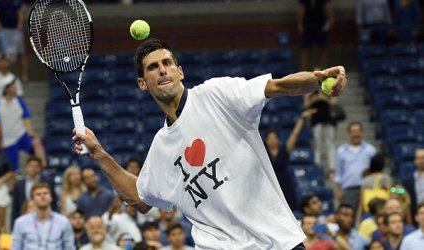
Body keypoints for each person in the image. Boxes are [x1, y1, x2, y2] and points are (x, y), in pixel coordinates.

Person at [72, 38, 347, 249]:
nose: (162, 70)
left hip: (276, 241)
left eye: (167, 63)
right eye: (153, 67)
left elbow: (279, 87)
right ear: (143, 84)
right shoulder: (161, 147)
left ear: (180, 72)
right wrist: (98, 153)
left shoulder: (217, 94)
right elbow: (141, 199)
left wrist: (317, 78)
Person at [264, 108, 316, 210]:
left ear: (278, 139)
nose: (272, 141)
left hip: (285, 184)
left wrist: (301, 119)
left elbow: (295, 135)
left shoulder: (284, 150)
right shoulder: (263, 153)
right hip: (270, 184)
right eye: (270, 138)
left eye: (274, 138)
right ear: (266, 141)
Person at [0, 80, 46, 171]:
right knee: (13, 168)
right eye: (13, 86)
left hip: (22, 134)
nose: (15, 88)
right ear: (7, 89)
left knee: (36, 143)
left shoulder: (19, 102)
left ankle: (43, 168)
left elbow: (26, 117)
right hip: (8, 139)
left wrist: (30, 131)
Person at [12, 181, 75, 250]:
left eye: (45, 193)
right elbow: (16, 248)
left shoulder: (63, 222)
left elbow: (69, 248)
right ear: (32, 200)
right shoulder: (20, 223)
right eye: (38, 194)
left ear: (51, 197)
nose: (42, 196)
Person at [335, 122, 376, 211]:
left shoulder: (371, 150)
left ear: (362, 132)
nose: (356, 134)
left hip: (368, 189)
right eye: (353, 132)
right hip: (349, 189)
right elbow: (339, 174)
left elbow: (376, 171)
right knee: (349, 217)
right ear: (349, 133)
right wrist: (338, 192)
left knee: (367, 215)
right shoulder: (341, 151)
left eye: (358, 131)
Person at [11, 156, 57, 224]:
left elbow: (53, 202)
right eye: (31, 166)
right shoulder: (19, 185)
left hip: (44, 219)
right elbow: (15, 206)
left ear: (40, 168)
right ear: (26, 167)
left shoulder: (47, 183)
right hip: (23, 219)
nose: (33, 169)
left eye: (36, 166)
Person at [0, 0, 28, 81]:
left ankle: (24, 75)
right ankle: (5, 75)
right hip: (3, 31)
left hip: (16, 31)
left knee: (21, 53)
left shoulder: (17, 2)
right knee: (3, 55)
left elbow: (20, 13)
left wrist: (20, 24)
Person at [303, 88, 337, 171]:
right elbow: (305, 105)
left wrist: (324, 99)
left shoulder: (328, 87)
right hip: (316, 120)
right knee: (317, 144)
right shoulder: (309, 90)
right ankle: (317, 166)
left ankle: (332, 168)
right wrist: (313, 99)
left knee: (330, 144)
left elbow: (334, 102)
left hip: (327, 119)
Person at [298, 0, 334, 71]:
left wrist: (330, 21)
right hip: (308, 24)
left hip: (320, 23)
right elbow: (302, 8)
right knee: (305, 47)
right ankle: (304, 69)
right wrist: (300, 23)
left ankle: (324, 69)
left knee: (323, 47)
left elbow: (327, 7)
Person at [357, 153, 391, 223]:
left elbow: (361, 202)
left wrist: (359, 218)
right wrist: (397, 189)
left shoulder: (365, 180)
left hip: (368, 214)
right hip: (384, 213)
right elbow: (396, 191)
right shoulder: (385, 178)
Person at [402, 148, 424, 223]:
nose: (421, 161)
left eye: (423, 158)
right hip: (414, 215)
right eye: (418, 158)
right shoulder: (408, 180)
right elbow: (396, 190)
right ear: (415, 160)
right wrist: (394, 189)